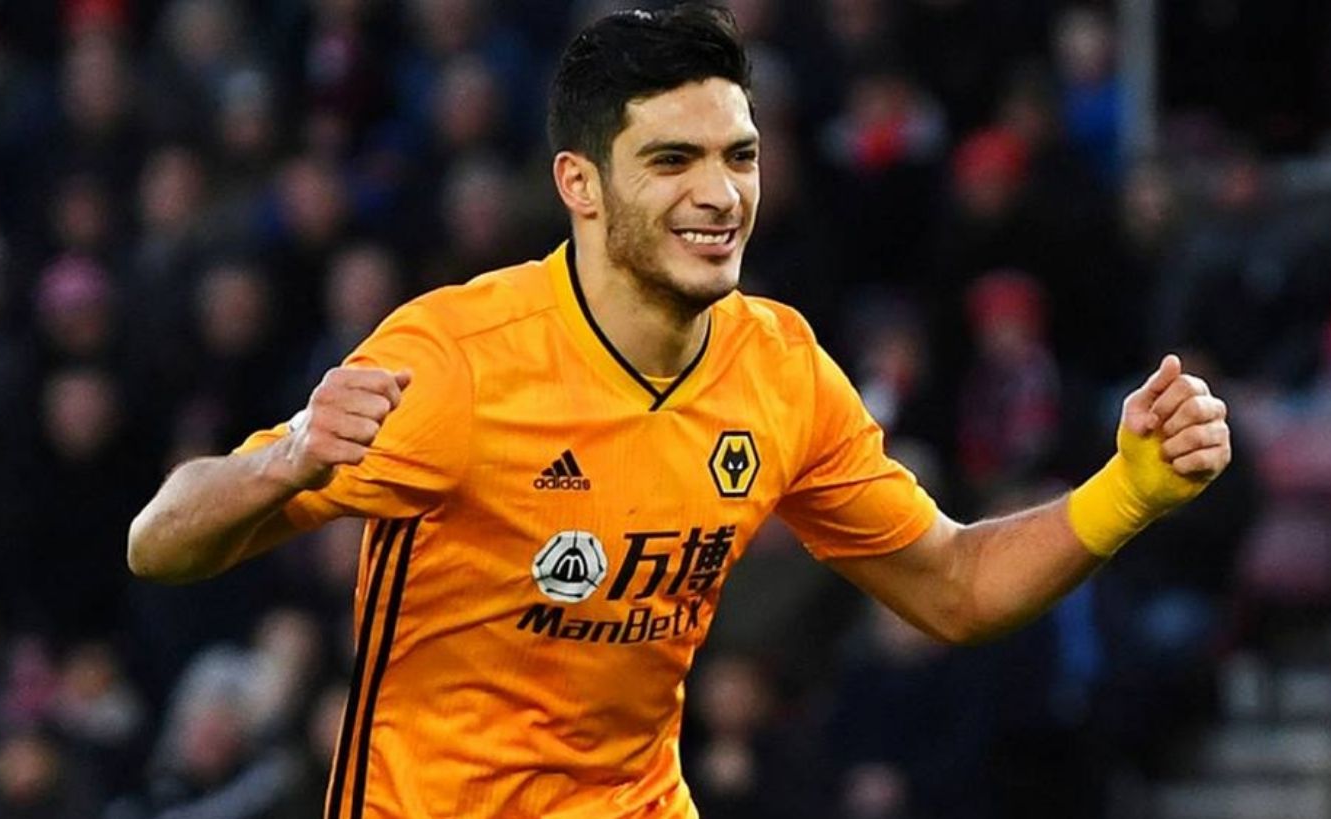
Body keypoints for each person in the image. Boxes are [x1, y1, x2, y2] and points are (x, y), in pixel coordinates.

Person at [127, 6, 1232, 818]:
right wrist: (282, 464)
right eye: (673, 160)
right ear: (580, 184)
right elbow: (159, 543)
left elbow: (952, 585)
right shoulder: (455, 364)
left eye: (738, 156)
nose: (720, 194)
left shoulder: (780, 370)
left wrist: (1127, 490)